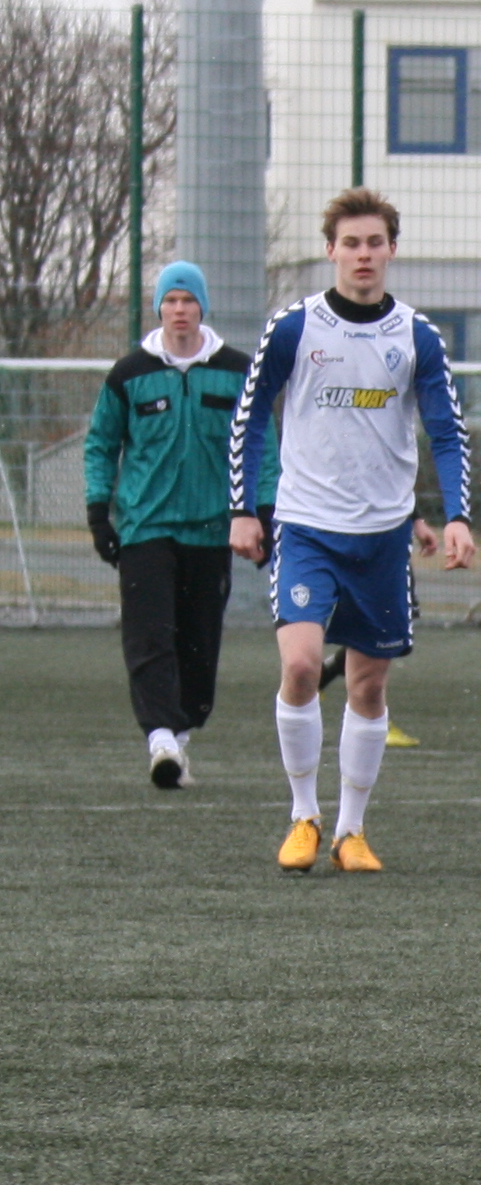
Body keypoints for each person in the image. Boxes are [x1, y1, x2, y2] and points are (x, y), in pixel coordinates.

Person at [226, 189, 474, 874]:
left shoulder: (417, 336)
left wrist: (457, 515)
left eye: (374, 243)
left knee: (367, 688)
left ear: (391, 249)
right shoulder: (293, 328)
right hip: (307, 528)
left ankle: (351, 831)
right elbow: (249, 417)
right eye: (351, 243)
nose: (363, 255)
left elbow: (446, 431)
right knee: (302, 665)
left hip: (383, 539)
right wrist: (243, 508)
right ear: (331, 250)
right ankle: (303, 816)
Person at [83, 260, 253, 789]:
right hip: (145, 529)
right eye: (171, 301)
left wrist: (259, 511)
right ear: (159, 308)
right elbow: (100, 444)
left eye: (188, 300)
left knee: (199, 644)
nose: (179, 310)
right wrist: (98, 513)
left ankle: (179, 739)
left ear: (203, 307)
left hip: (212, 531)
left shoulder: (238, 371)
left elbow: (260, 446)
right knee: (150, 637)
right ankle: (159, 737)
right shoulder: (129, 374)